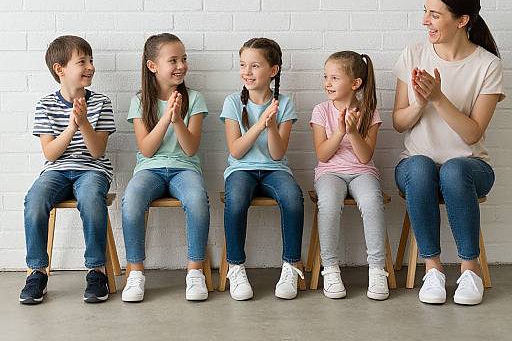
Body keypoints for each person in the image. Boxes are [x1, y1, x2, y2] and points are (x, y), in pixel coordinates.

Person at [393, 0, 505, 305]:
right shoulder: (413, 54)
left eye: (435, 14)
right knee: (421, 166)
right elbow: (399, 123)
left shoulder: (487, 65)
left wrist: (439, 98)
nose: (424, 21)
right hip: (416, 168)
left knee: (454, 170)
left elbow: (472, 134)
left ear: (462, 20)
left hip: (471, 168)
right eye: (425, 12)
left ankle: (469, 271)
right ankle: (433, 270)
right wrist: (419, 102)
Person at [20, 35, 116, 304]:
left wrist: (84, 122)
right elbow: (50, 153)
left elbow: (97, 151)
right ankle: (37, 272)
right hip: (57, 170)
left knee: (91, 198)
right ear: (59, 69)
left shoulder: (101, 103)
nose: (90, 66)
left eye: (91, 60)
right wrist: (72, 126)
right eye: (82, 61)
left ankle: (96, 271)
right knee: (35, 200)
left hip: (92, 169)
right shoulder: (45, 105)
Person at [121, 33, 209, 302]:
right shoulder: (140, 101)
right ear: (152, 66)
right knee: (131, 201)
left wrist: (178, 120)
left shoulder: (194, 99)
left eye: (184, 59)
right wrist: (166, 117)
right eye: (173, 60)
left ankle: (195, 272)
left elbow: (191, 148)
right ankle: (135, 273)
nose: (181, 65)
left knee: (197, 200)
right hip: (150, 169)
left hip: (185, 169)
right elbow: (146, 149)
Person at [220, 37, 304, 300]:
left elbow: (278, 154)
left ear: (273, 70)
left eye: (255, 66)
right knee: (235, 200)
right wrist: (260, 124)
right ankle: (236, 267)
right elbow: (236, 150)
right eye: (243, 64)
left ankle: (291, 266)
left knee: (293, 198)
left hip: (274, 169)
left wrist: (271, 126)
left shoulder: (285, 104)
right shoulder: (233, 102)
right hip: (240, 170)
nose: (247, 71)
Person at [311, 51, 389, 301]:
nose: (327, 83)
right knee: (329, 205)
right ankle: (330, 268)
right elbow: (323, 155)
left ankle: (377, 269)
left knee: (372, 202)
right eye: (326, 77)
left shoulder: (369, 111)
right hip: (329, 173)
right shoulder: (321, 110)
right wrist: (340, 132)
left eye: (334, 78)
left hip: (362, 172)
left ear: (355, 84)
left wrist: (354, 133)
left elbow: (365, 157)